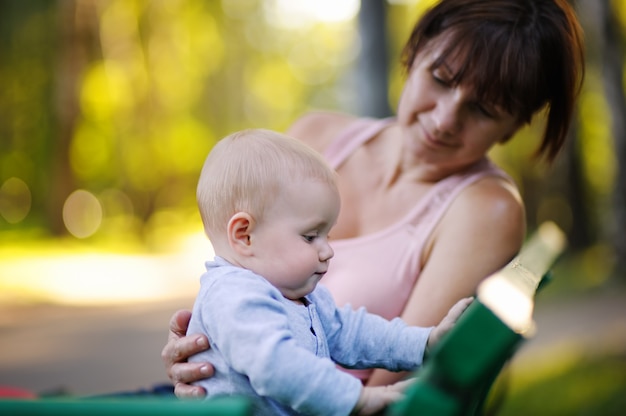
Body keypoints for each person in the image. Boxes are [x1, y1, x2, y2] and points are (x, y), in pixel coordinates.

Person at [162, 0, 585, 396]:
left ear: (512, 127)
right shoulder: (315, 138)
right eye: (440, 79)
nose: (443, 120)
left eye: (484, 109)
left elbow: (388, 391)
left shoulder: (486, 210)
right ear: (414, 55)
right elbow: (237, 278)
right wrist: (197, 353)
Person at [187, 128, 472, 415]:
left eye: (327, 236)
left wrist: (424, 342)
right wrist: (356, 398)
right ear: (245, 236)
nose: (328, 251)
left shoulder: (301, 298)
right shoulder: (233, 296)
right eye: (311, 237)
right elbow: (276, 365)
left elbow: (354, 333)